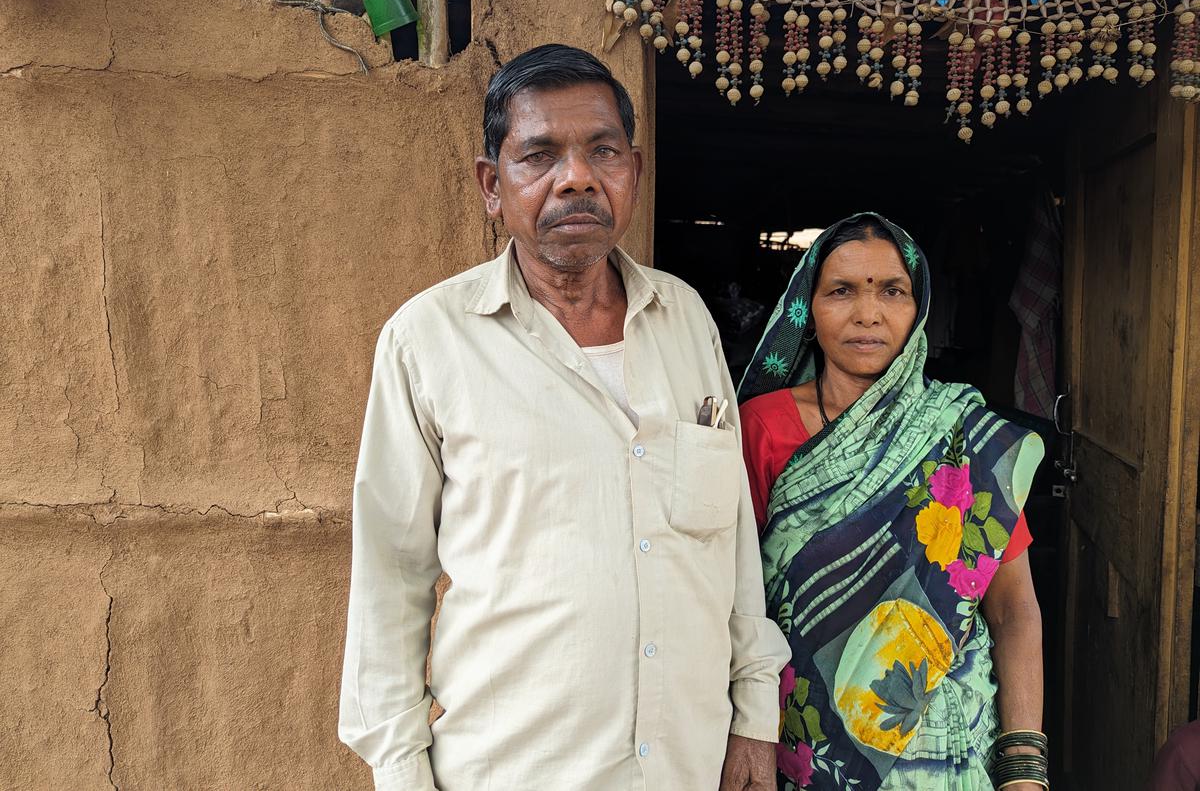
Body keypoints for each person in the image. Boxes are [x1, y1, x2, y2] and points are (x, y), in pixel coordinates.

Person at [338, 44, 790, 791]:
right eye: (540, 154)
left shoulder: (685, 320)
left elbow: (731, 540)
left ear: (633, 173)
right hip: (511, 770)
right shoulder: (428, 341)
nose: (576, 177)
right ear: (492, 184)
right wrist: (399, 769)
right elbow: (390, 575)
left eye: (602, 151)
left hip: (687, 763)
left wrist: (753, 713)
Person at [738, 213, 1047, 790]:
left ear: (919, 307)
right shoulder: (763, 426)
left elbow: (1013, 610)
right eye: (841, 291)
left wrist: (1023, 768)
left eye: (892, 291)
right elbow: (733, 603)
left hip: (949, 747)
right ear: (810, 309)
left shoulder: (959, 437)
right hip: (802, 742)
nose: (868, 314)